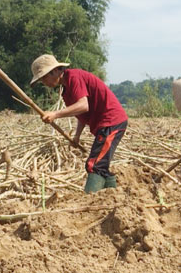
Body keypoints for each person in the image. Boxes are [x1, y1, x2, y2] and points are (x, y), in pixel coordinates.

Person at [30, 54, 128, 193]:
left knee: (95, 165)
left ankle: (91, 200)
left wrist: (55, 114)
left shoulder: (74, 78)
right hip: (106, 124)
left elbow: (83, 105)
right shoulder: (66, 90)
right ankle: (111, 197)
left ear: (55, 71)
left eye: (44, 77)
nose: (44, 82)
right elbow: (82, 114)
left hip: (112, 122)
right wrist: (77, 137)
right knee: (100, 164)